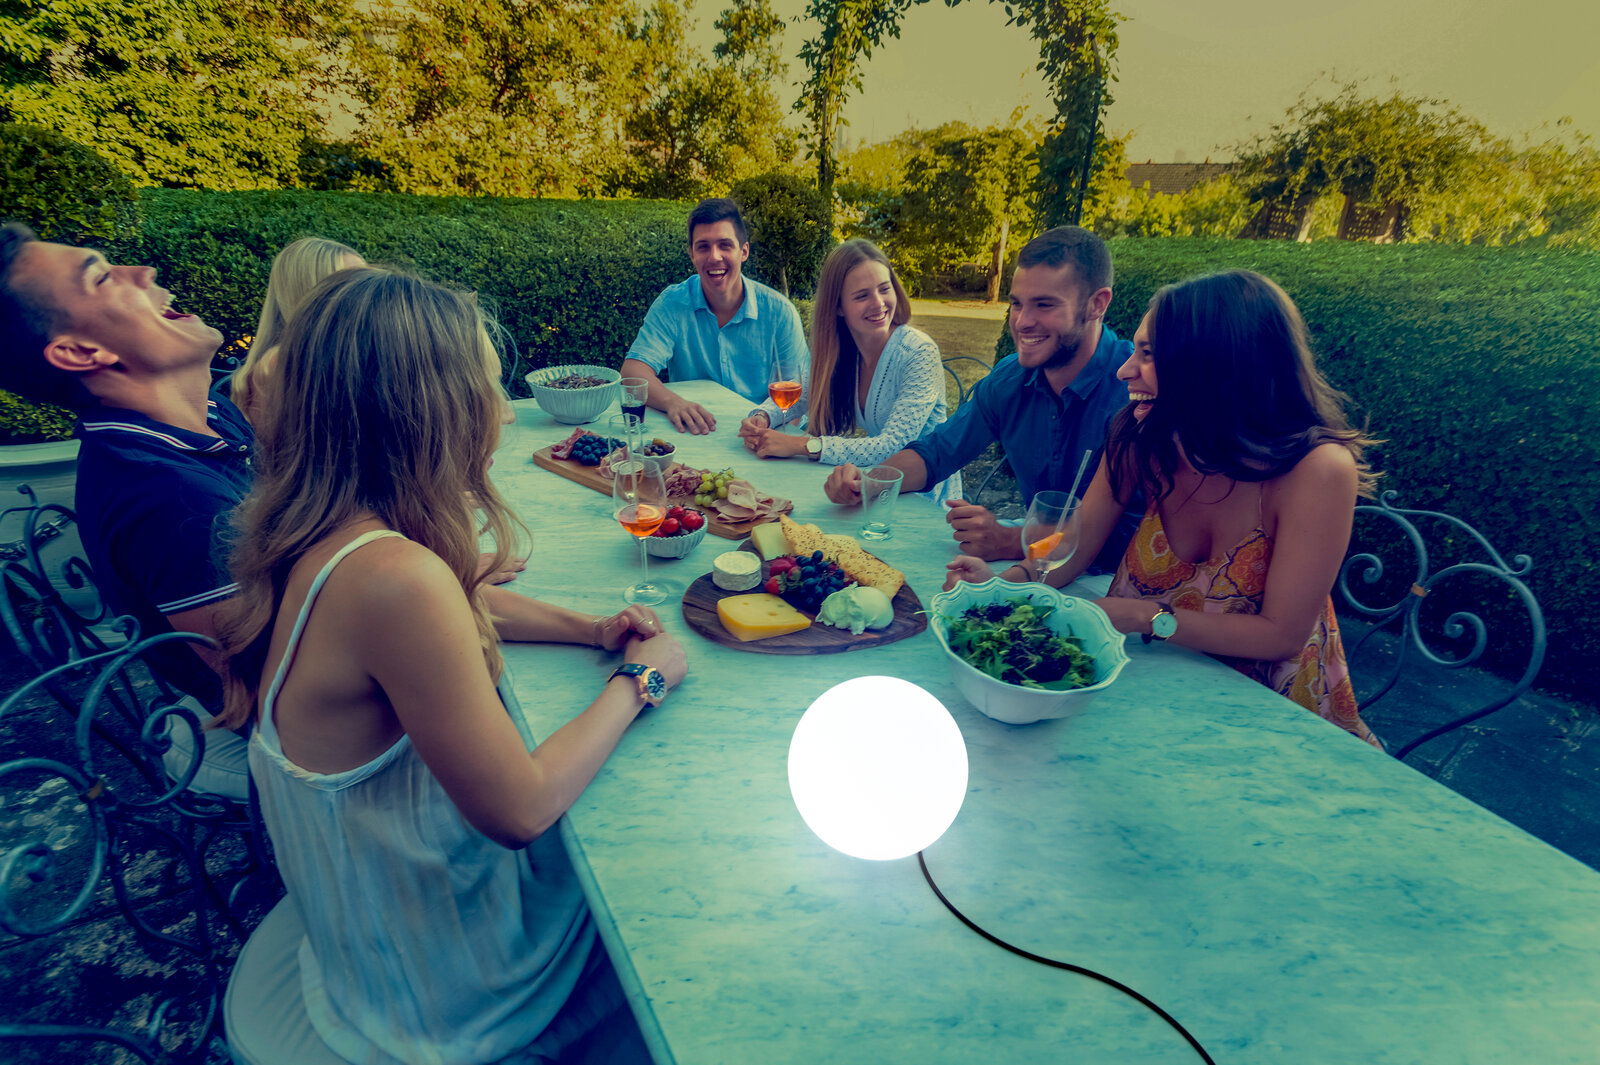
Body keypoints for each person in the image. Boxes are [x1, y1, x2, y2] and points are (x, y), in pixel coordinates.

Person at [217, 266, 687, 1064]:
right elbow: (520, 809)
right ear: (427, 411)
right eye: (487, 390)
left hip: (368, 913)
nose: (503, 411)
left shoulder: (329, 528)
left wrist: (591, 627)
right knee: (660, 888)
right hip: (436, 982)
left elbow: (462, 603)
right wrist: (641, 680)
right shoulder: (398, 581)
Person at [945, 270, 1381, 745]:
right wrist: (1003, 586)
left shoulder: (1316, 470)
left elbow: (1281, 636)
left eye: (1149, 354)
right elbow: (1074, 543)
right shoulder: (1139, 434)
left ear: (1216, 366)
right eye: (1134, 350)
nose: (1125, 370)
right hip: (1150, 693)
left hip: (1272, 718)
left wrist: (1142, 617)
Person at [822, 225, 1138, 570]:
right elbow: (937, 452)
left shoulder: (1135, 393)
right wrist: (869, 482)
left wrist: (1009, 541)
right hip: (1036, 566)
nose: (1021, 322)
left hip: (1116, 584)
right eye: (1016, 304)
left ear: (1097, 304)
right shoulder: (1011, 379)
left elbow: (1122, 535)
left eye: (1044, 305)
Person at [736, 239, 962, 501]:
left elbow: (893, 445)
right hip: (874, 485)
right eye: (862, 295)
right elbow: (803, 397)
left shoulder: (918, 353)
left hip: (924, 497)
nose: (878, 303)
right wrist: (762, 417)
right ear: (839, 307)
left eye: (884, 289)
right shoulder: (841, 350)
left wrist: (802, 445)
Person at [621, 198, 808, 435]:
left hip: (766, 434)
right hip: (697, 434)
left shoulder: (780, 313)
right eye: (703, 246)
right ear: (691, 254)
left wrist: (767, 427)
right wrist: (673, 403)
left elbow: (798, 393)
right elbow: (632, 372)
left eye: (725, 245)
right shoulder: (672, 304)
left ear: (744, 251)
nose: (714, 256)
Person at [229, 236, 364, 426]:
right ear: (311, 290)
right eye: (352, 283)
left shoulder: (347, 351)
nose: (367, 291)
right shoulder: (281, 363)